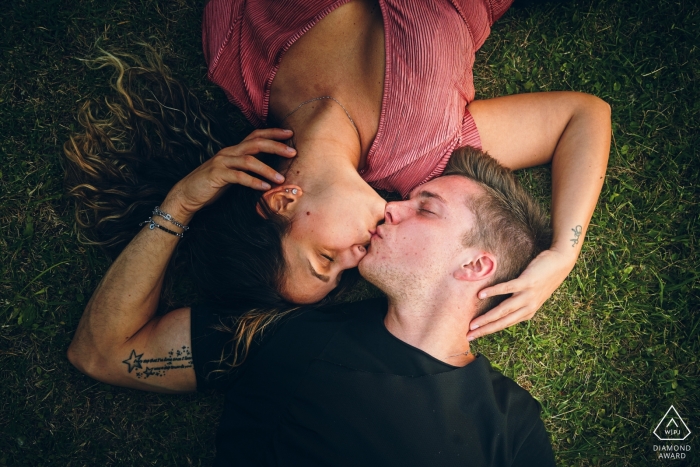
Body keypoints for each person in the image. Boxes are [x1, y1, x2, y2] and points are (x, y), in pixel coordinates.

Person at [64, 0, 610, 339]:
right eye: (343, 272)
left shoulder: (233, 53)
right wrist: (563, 252)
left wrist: (187, 199)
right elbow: (581, 118)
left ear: (281, 200)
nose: (360, 257)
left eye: (325, 258)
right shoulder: (423, 157)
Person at [67, 147, 556, 466]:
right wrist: (179, 205)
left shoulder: (513, 422)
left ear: (476, 266)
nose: (392, 207)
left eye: (425, 208)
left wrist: (562, 252)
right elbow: (103, 351)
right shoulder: (282, 333)